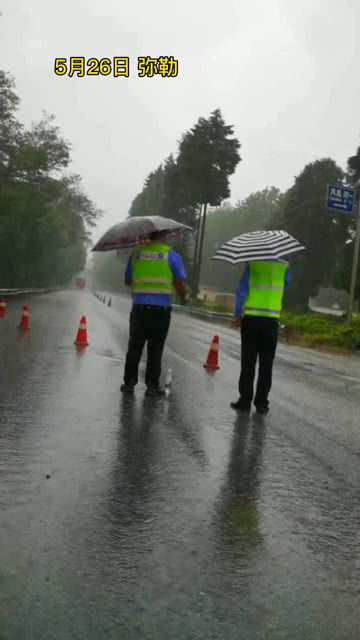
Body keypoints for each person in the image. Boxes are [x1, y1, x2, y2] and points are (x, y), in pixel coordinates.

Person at [120, 232, 187, 397]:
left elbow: (127, 281)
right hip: (161, 310)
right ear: (163, 236)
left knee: (134, 346)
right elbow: (179, 281)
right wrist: (183, 297)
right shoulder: (171, 255)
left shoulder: (136, 254)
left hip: (139, 307)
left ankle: (129, 383)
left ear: (149, 236)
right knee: (155, 348)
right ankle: (151, 386)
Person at [230, 259, 291, 414]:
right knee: (267, 362)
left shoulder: (252, 264)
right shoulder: (285, 266)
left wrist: (238, 313)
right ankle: (262, 403)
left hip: (251, 318)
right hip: (271, 319)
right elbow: (285, 287)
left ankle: (245, 400)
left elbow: (242, 289)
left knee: (248, 361)